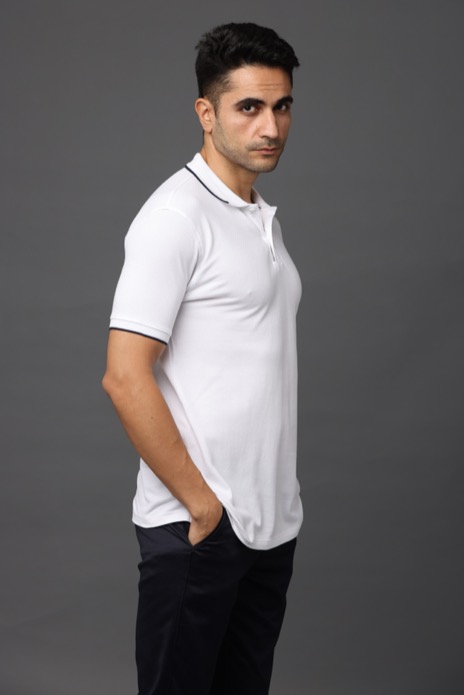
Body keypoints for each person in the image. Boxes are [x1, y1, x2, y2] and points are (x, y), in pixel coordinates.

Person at [102, 22, 303, 695]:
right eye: (249, 107)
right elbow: (124, 375)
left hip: (270, 527)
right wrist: (201, 504)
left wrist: (274, 506)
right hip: (201, 526)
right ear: (206, 112)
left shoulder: (257, 216)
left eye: (281, 106)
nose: (270, 126)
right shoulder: (176, 216)